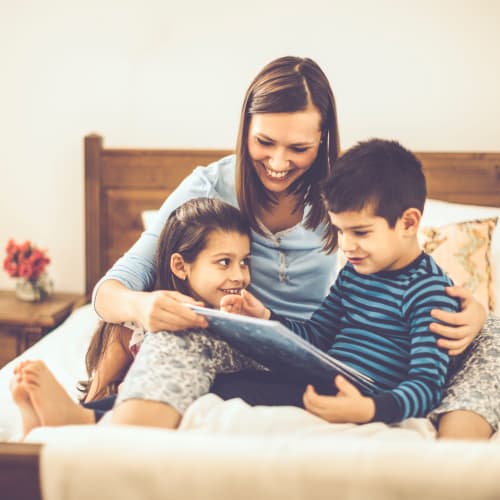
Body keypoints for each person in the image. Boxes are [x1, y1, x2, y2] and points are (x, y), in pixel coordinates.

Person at [14, 56, 494, 437]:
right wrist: (145, 306)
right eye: (265, 142)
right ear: (245, 126)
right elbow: (114, 287)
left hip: (333, 357)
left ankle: (455, 455)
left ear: (325, 141)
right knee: (183, 337)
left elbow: (406, 282)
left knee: (493, 335)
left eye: (299, 149)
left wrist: (475, 315)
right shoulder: (211, 185)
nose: (279, 163)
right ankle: (99, 422)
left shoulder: (350, 194)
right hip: (260, 339)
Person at [219, 138, 460, 424]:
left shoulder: (429, 292)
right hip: (322, 381)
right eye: (340, 231)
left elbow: (427, 386)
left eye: (360, 232)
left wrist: (369, 409)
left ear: (408, 223)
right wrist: (265, 317)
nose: (346, 246)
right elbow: (316, 336)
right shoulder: (353, 274)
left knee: (233, 392)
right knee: (225, 384)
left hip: (366, 400)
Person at [11, 197, 264, 435]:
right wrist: (106, 393)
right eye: (223, 262)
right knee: (119, 361)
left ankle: (73, 422)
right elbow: (103, 380)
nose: (240, 276)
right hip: (142, 395)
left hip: (203, 393)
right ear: (179, 266)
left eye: (244, 262)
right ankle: (71, 418)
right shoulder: (132, 328)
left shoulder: (242, 315)